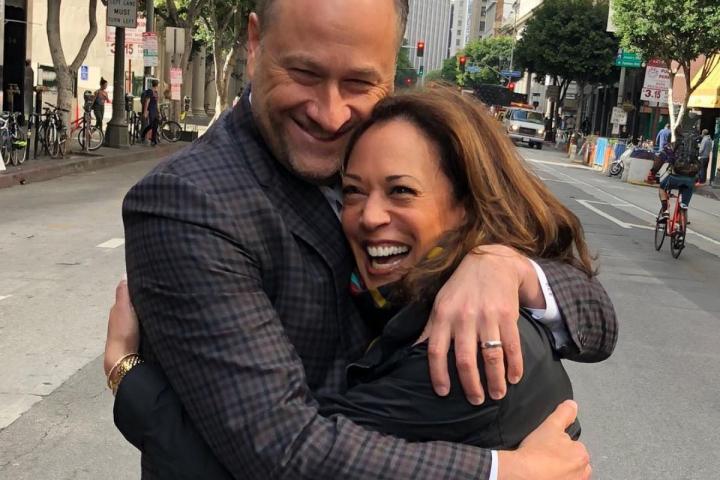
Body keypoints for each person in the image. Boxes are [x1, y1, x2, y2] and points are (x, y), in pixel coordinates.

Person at [106, 1, 616, 479]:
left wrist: (507, 268)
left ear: (391, 70)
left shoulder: (387, 151)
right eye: (304, 73)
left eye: (359, 82)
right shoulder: (190, 200)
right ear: (256, 43)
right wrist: (501, 472)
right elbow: (281, 448)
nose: (330, 114)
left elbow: (597, 322)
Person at [657, 136, 702, 221]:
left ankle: (665, 210)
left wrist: (653, 172)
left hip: (674, 178)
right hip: (689, 180)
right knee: (686, 195)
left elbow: (660, 160)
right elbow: (699, 166)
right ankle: (683, 217)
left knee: (662, 188)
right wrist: (698, 179)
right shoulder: (694, 151)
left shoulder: (672, 147)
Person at [139, 80, 160, 146]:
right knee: (152, 125)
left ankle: (153, 140)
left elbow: (157, 103)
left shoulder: (156, 92)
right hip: (151, 110)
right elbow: (147, 102)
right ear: (157, 85)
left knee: (155, 125)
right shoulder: (150, 91)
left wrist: (158, 111)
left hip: (155, 110)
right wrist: (145, 112)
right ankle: (143, 135)